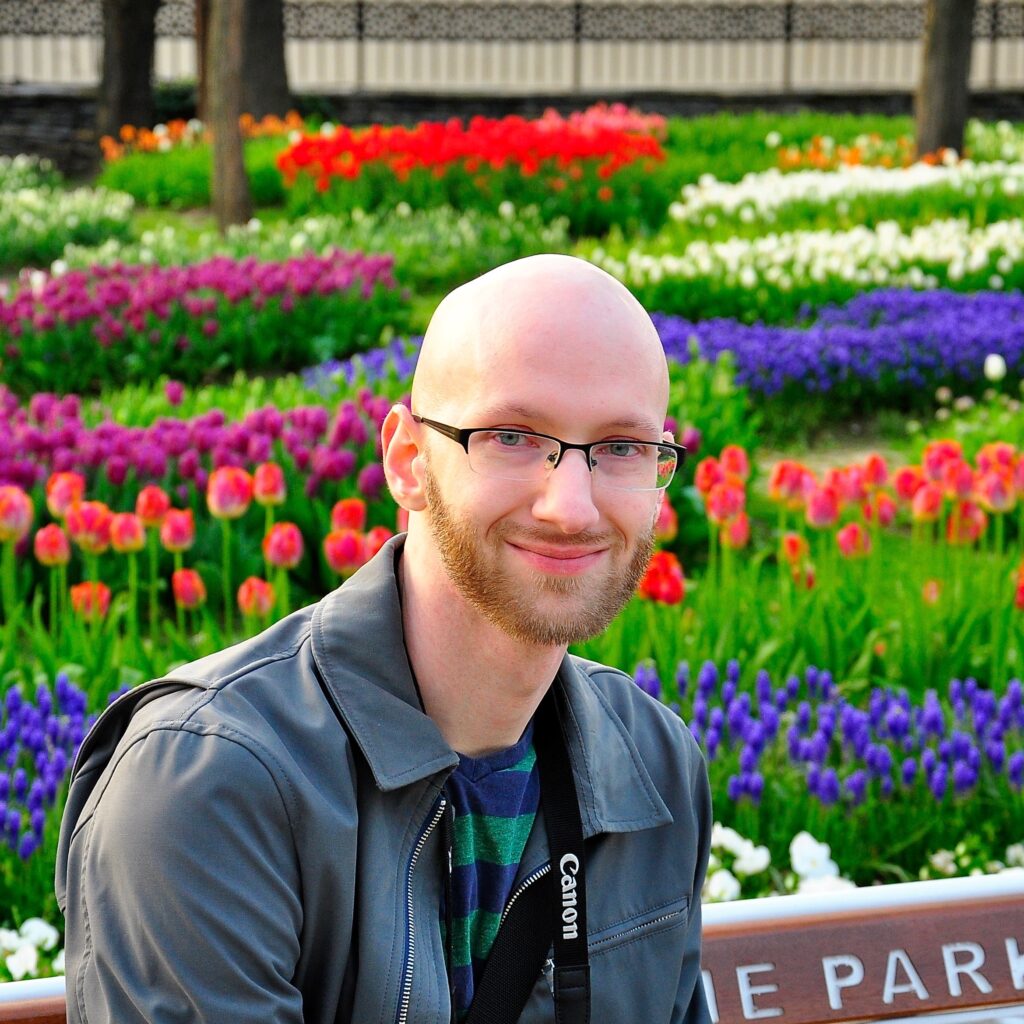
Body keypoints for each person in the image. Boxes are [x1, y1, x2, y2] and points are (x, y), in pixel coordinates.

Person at [57, 254, 713, 1023]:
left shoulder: (653, 765)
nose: (570, 505)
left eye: (623, 447)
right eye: (511, 436)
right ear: (407, 461)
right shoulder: (211, 784)